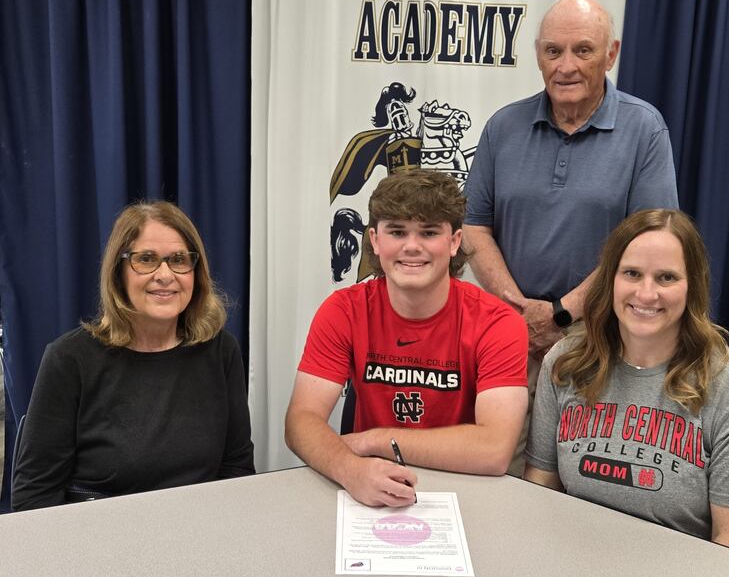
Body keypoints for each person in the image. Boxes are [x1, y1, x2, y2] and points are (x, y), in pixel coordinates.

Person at [463, 0, 679, 474]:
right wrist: (518, 312)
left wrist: (561, 314)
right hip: (510, 330)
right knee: (501, 470)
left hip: (599, 335)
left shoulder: (644, 130)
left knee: (582, 473)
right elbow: (474, 225)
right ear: (538, 55)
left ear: (611, 54)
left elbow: (650, 245)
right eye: (553, 51)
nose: (565, 66)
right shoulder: (503, 126)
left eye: (583, 50)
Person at [524, 209, 729, 555]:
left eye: (666, 278)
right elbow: (539, 494)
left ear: (693, 287)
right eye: (632, 273)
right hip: (571, 563)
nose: (646, 294)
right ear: (610, 280)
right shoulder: (567, 363)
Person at [285, 169, 529, 507]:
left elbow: (494, 450)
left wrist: (374, 441)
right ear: (375, 241)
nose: (412, 247)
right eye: (397, 231)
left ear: (454, 241)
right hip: (367, 483)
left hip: (464, 488)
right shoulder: (343, 310)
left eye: (429, 232)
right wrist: (349, 469)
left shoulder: (498, 322)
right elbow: (301, 420)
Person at [12, 201, 255, 511]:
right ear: (118, 272)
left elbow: (237, 469)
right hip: (100, 532)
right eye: (146, 259)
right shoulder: (69, 360)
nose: (165, 275)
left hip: (199, 526)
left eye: (179, 260)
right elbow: (34, 498)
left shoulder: (220, 351)